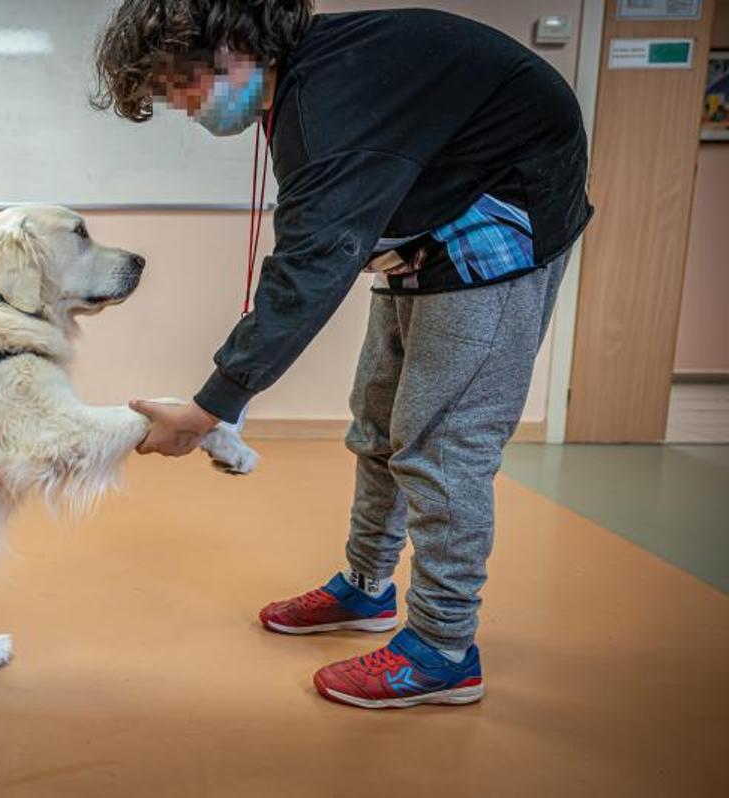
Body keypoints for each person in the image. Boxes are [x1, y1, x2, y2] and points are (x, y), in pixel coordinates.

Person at [92, 0, 592, 709]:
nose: (181, 108)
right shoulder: (306, 82)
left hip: (507, 208)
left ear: (232, 45)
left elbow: (308, 268)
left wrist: (208, 409)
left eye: (180, 86)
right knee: (378, 420)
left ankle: (445, 650)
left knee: (442, 444)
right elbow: (330, 233)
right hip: (438, 212)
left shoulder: (328, 104)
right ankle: (366, 589)